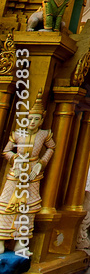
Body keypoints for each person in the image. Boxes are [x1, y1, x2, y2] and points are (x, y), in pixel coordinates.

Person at [0, 107, 56, 252]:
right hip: (16, 175)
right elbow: (6, 151)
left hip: (32, 175)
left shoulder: (44, 135)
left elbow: (51, 148)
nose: (32, 122)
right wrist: (15, 160)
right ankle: (1, 241)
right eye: (30, 119)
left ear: (42, 120)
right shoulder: (18, 134)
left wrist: (40, 164)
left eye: (36, 119)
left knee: (28, 209)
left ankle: (21, 244)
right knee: (6, 206)